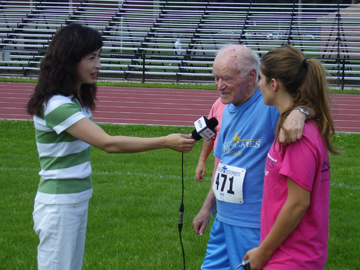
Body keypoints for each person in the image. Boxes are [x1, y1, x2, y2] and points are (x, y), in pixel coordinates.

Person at [26, 23, 196, 270]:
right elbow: (108, 143)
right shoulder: (56, 105)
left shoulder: (74, 99)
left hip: (73, 199)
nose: (99, 65)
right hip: (59, 203)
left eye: (99, 56)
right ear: (69, 60)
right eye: (91, 58)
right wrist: (164, 142)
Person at [192, 44, 310, 270]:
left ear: (251, 76)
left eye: (226, 78)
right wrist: (208, 208)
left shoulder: (269, 103)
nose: (219, 86)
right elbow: (224, 165)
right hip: (223, 221)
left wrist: (301, 111)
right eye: (216, 77)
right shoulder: (224, 107)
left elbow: (311, 106)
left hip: (253, 224)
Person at [243, 45, 340, 269]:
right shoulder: (294, 125)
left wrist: (263, 252)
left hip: (292, 258)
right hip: (290, 254)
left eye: (261, 78)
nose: (258, 84)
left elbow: (298, 203)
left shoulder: (297, 136)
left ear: (273, 84)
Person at [195, 97, 226, 216]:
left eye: (226, 79)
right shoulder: (219, 103)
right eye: (217, 80)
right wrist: (201, 161)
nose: (220, 85)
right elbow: (209, 134)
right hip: (219, 181)